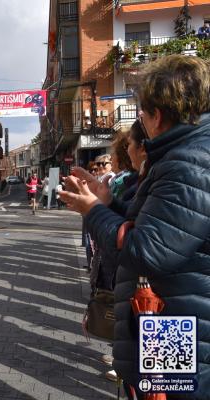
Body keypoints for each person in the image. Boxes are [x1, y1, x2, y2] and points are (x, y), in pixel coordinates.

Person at [60, 55, 210, 399]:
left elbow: (150, 251)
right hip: (176, 313)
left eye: (142, 111)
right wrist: (110, 203)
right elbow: (167, 229)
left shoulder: (189, 162)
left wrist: (94, 211)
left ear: (157, 114)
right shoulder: (188, 153)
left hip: (176, 320)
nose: (140, 120)